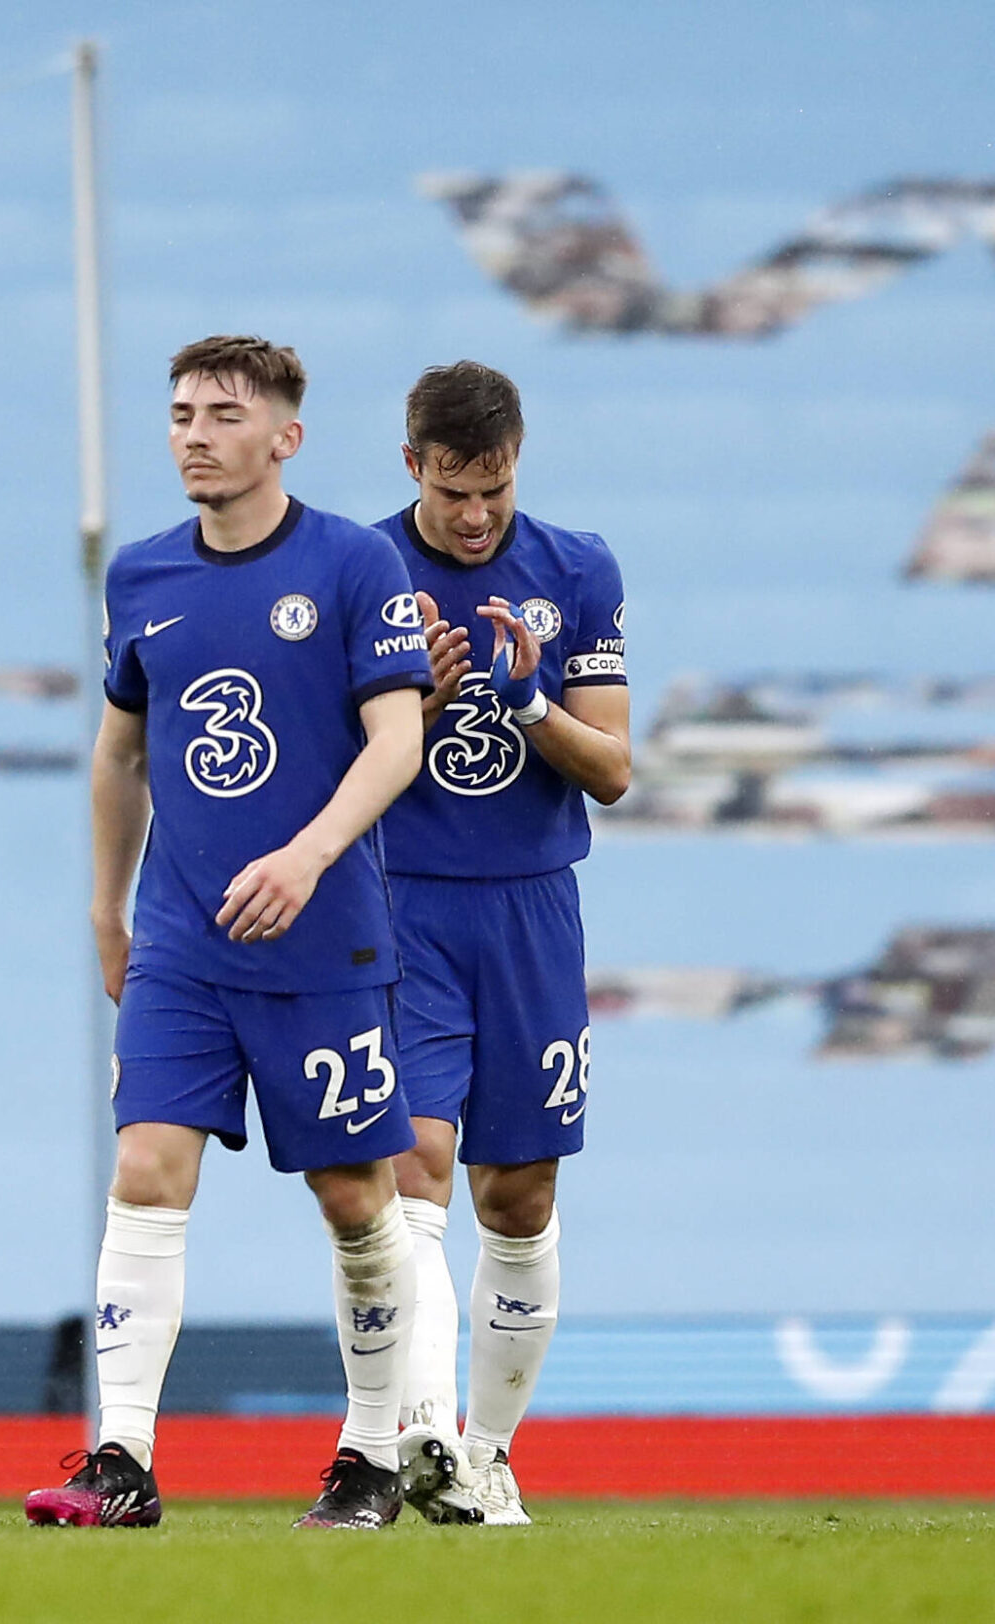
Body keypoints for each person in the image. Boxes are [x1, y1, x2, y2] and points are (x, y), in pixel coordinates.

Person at [24, 336, 432, 1532]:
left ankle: (370, 1455)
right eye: (180, 414)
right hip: (181, 943)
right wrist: (105, 906)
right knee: (146, 1169)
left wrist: (308, 855)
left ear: (284, 437)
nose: (194, 434)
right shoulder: (142, 576)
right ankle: (120, 1460)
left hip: (323, 943)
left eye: (222, 414)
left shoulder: (352, 562)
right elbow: (119, 754)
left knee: (354, 1197)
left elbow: (397, 741)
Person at [375, 360, 630, 1527]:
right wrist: (418, 701)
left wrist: (528, 704)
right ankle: (422, 1430)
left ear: (517, 462)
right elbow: (331, 765)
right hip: (401, 906)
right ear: (411, 466)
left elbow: (613, 768)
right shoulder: (361, 569)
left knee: (517, 1195)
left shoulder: (577, 569)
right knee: (413, 1165)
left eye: (494, 490)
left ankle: (490, 1451)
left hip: (530, 908)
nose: (475, 516)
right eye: (452, 492)